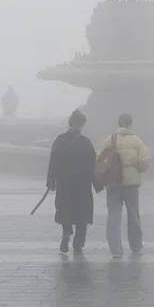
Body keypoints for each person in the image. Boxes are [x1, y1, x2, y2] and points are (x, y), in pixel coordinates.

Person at [46, 109, 99, 254]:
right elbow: (93, 165)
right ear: (82, 124)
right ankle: (78, 243)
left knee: (65, 209)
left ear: (70, 122)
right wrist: (98, 183)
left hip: (65, 183)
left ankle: (66, 233)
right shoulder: (85, 142)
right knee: (82, 212)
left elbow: (53, 161)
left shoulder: (60, 140)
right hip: (82, 184)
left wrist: (50, 180)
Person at [102, 113, 151, 259]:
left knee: (113, 216)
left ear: (118, 123)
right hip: (131, 183)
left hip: (113, 183)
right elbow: (146, 160)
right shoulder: (136, 141)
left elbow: (101, 157)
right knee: (133, 215)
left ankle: (116, 250)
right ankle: (135, 245)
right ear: (130, 124)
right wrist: (137, 167)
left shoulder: (110, 139)